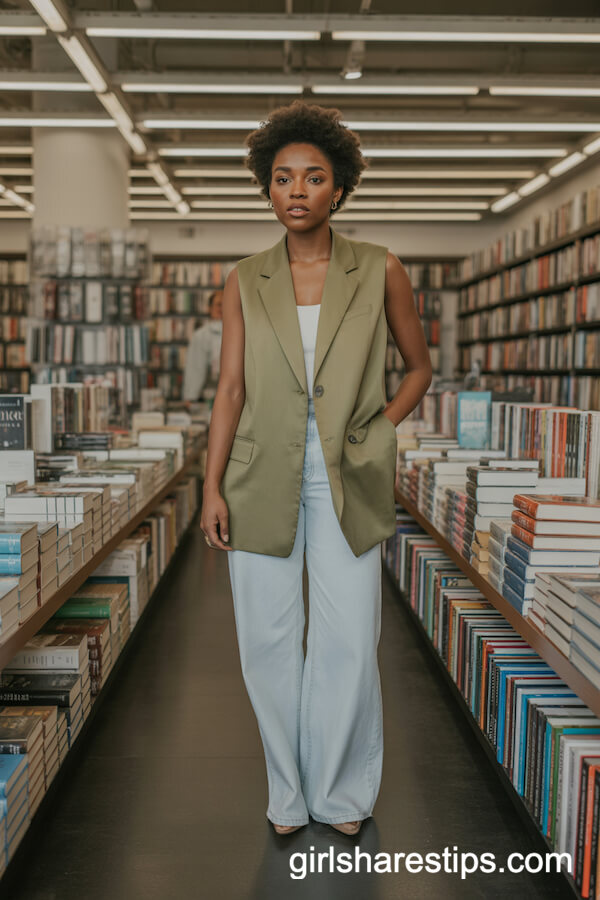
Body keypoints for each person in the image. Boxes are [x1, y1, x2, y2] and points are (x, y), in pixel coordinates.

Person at [200, 101, 432, 838]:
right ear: (266, 188)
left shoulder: (381, 268)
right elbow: (229, 389)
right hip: (258, 474)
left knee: (348, 640)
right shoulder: (245, 279)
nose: (296, 190)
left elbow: (419, 369)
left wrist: (378, 431)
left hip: (348, 475)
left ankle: (339, 795)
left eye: (313, 177)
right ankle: (288, 797)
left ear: (340, 187)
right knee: (266, 643)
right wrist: (210, 486)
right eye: (282, 178)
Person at [182, 289, 224, 404]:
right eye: (219, 304)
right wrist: (190, 397)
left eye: (226, 304)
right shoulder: (201, 336)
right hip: (209, 398)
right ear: (209, 308)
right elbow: (195, 369)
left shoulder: (240, 333)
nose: (222, 308)